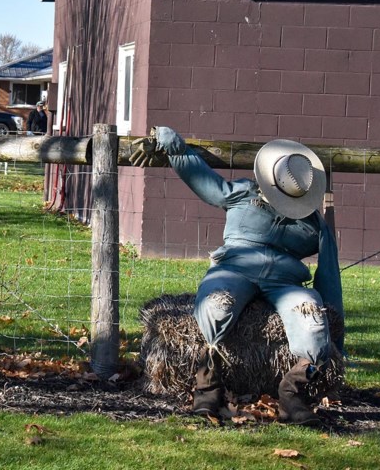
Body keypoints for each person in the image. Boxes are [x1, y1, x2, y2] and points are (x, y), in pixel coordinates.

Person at [130, 127, 343, 426]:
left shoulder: (314, 224)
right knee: (216, 306)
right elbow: (206, 182)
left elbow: (329, 274)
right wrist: (173, 146)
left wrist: (337, 334)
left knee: (312, 320)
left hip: (285, 282)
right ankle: (207, 388)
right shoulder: (244, 192)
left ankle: (292, 395)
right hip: (234, 268)